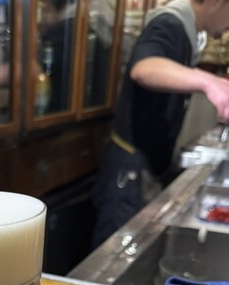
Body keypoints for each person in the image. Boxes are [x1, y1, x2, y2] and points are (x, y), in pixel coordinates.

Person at [91, 0, 229, 249]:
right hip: (131, 167)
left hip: (145, 164)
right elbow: (144, 68)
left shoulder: (188, 30)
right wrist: (207, 81)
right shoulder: (170, 23)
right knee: (113, 249)